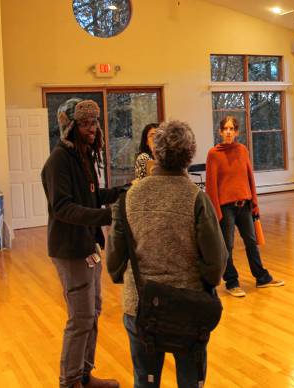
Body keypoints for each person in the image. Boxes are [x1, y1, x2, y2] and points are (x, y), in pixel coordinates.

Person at [106, 120, 227, 388]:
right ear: (190, 154)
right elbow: (216, 265)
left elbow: (114, 264)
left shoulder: (128, 198)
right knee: (189, 381)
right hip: (189, 306)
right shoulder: (197, 198)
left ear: (156, 153)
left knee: (145, 381)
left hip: (140, 305)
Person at [41, 98, 125, 388]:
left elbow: (89, 195)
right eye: (86, 123)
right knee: (80, 318)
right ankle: (70, 381)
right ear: (70, 126)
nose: (92, 128)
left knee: (94, 312)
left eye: (95, 122)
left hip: (89, 246)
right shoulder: (58, 161)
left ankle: (84, 376)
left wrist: (118, 193)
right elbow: (63, 208)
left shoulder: (84, 155)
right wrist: (106, 216)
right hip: (69, 250)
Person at [205, 115, 284, 297]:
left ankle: (262, 278)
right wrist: (215, 211)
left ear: (237, 132)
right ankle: (231, 282)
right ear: (220, 131)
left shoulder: (242, 150)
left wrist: (254, 203)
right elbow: (211, 185)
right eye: (225, 128)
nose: (228, 132)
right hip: (225, 207)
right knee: (227, 246)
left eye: (232, 129)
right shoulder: (213, 154)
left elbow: (249, 179)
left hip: (244, 204)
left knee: (251, 242)